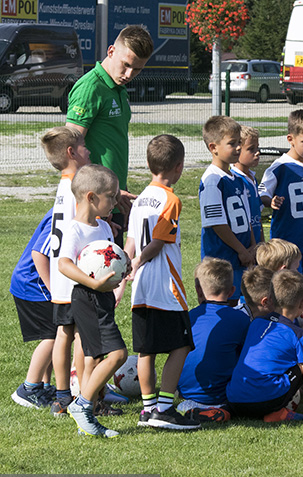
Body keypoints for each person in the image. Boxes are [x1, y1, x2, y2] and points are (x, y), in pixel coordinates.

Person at [125, 135, 200, 430]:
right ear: (179, 167)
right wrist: (139, 261)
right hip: (164, 286)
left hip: (141, 287)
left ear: (148, 164)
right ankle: (165, 408)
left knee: (147, 350)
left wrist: (128, 269)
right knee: (181, 345)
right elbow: (156, 243)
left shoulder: (141, 198)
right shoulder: (171, 200)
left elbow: (131, 240)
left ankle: (147, 409)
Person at [66, 25, 154, 246]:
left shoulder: (118, 88)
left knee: (112, 276)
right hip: (93, 203)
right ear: (111, 51)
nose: (129, 75)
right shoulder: (90, 88)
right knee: (95, 276)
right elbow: (70, 153)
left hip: (112, 199)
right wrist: (100, 194)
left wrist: (115, 193)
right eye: (126, 65)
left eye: (137, 69)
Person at [57, 165, 128, 437]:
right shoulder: (74, 230)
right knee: (118, 354)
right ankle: (83, 405)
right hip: (87, 297)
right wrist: (93, 283)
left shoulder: (104, 227)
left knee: (93, 358)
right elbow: (64, 264)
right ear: (90, 197)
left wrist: (124, 264)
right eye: (111, 196)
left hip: (103, 296)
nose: (115, 201)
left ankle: (89, 417)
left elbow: (110, 257)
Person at [227, 269, 303, 421]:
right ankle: (278, 412)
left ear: (271, 298)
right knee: (301, 366)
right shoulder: (301, 336)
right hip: (265, 402)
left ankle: (225, 412)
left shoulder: (256, 323)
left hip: (233, 398)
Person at [43, 126, 93, 416]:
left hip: (59, 271)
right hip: (74, 272)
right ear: (72, 153)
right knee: (83, 336)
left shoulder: (64, 186)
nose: (89, 150)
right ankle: (86, 396)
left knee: (64, 332)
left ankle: (62, 395)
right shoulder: (79, 187)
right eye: (84, 146)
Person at [176, 259, 253, 420]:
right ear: (232, 291)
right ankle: (223, 410)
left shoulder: (188, 318)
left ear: (198, 290)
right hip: (222, 395)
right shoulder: (240, 319)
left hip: (185, 394)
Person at [259, 109, 303, 281]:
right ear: (290, 139)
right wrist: (270, 201)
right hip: (285, 238)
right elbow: (262, 192)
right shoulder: (279, 167)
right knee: (286, 283)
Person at [199, 115, 256, 305]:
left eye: (239, 142)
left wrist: (252, 247)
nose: (238, 148)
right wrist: (242, 250)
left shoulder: (237, 178)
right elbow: (217, 223)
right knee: (224, 305)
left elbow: (247, 218)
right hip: (222, 259)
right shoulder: (212, 180)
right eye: (232, 143)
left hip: (242, 257)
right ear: (213, 148)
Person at [10, 209, 56, 409]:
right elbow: (38, 254)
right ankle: (28, 388)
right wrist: (52, 290)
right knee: (55, 335)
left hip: (35, 282)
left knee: (56, 332)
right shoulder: (61, 215)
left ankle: (43, 386)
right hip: (33, 283)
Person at [231, 125, 264, 244]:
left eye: (257, 147)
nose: (257, 152)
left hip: (255, 246)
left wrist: (261, 243)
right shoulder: (233, 179)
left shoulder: (252, 177)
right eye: (251, 149)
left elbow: (257, 217)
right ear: (237, 150)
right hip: (242, 244)